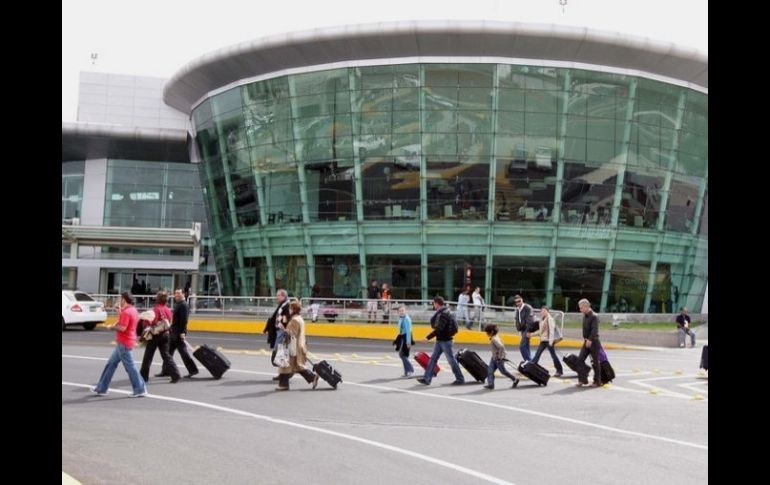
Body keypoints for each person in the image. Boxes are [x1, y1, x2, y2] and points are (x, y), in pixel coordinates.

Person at [90, 291, 148, 397]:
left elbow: (122, 327)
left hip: (124, 343)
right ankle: (102, 388)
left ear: (124, 300)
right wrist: (119, 313)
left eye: (120, 299)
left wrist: (111, 327)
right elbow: (126, 322)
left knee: (130, 367)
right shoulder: (132, 310)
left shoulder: (126, 312)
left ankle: (140, 389)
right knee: (111, 364)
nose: (119, 301)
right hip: (125, 342)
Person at [416, 296, 465, 386]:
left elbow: (439, 329)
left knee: (451, 360)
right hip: (440, 340)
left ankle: (460, 378)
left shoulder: (444, 314)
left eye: (434, 303)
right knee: (433, 359)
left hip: (446, 341)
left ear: (437, 303)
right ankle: (427, 379)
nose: (433, 305)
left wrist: (427, 337)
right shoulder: (444, 312)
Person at [139, 291, 181, 384]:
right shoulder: (168, 310)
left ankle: (143, 376)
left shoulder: (155, 309)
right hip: (165, 334)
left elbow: (151, 322)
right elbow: (170, 321)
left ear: (157, 299)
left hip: (155, 335)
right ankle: (176, 374)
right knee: (166, 355)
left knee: (148, 356)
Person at [276, 301, 319, 391]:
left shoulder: (294, 320)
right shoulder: (299, 318)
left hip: (293, 347)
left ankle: (283, 385)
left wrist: (282, 328)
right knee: (297, 366)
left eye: (290, 308)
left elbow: (291, 334)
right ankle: (312, 377)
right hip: (299, 346)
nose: (289, 310)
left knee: (285, 365)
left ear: (293, 309)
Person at [157, 289, 199, 379]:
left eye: (179, 293)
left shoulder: (183, 305)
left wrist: (182, 332)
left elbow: (184, 320)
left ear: (183, 294)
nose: (176, 295)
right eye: (175, 293)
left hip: (178, 333)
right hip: (174, 332)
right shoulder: (179, 304)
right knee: (168, 352)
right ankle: (166, 370)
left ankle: (193, 370)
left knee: (183, 352)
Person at [263, 289, 291, 381]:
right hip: (278, 332)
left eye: (278, 295)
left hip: (282, 332)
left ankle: (286, 375)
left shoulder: (287, 306)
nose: (276, 297)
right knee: (280, 354)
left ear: (283, 296)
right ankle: (283, 375)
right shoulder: (282, 305)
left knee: (278, 354)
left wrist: (283, 325)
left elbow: (287, 319)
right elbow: (276, 317)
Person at [528, 306, 564, 377]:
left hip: (548, 341)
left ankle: (559, 371)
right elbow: (540, 331)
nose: (543, 312)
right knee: (537, 354)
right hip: (543, 340)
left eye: (544, 311)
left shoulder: (550, 319)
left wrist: (551, 342)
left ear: (547, 311)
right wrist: (531, 334)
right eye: (542, 311)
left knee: (553, 356)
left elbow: (551, 331)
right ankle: (530, 368)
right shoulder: (541, 320)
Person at [483, 324, 519, 389]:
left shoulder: (494, 339)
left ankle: (515, 379)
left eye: (487, 332)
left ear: (491, 332)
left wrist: (500, 357)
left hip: (499, 359)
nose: (486, 334)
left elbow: (501, 347)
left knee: (503, 371)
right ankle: (491, 384)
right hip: (494, 357)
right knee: (490, 371)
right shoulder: (495, 337)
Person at [575, 298, 602, 387]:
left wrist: (590, 340)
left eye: (581, 308)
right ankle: (583, 380)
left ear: (586, 306)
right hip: (586, 341)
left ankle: (597, 381)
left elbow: (595, 330)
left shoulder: (594, 316)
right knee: (579, 360)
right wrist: (586, 340)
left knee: (595, 362)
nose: (580, 310)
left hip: (593, 342)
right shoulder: (585, 316)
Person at [393, 305, 414, 377]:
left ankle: (410, 369)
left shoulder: (406, 319)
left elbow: (408, 331)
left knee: (402, 354)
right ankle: (406, 372)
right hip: (403, 337)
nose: (401, 312)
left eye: (402, 310)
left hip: (406, 337)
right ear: (397, 312)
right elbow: (400, 330)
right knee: (403, 355)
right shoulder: (401, 318)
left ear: (405, 311)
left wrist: (408, 342)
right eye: (400, 311)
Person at [513, 295, 535, 362]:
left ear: (522, 300)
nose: (518, 303)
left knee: (522, 347)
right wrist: (518, 328)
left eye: (519, 301)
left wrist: (528, 331)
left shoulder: (528, 308)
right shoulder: (518, 309)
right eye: (516, 302)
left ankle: (528, 361)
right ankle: (530, 361)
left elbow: (530, 320)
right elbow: (517, 319)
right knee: (526, 346)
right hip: (522, 330)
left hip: (527, 329)